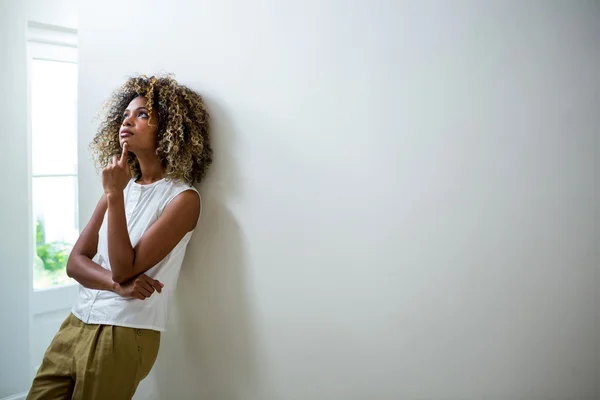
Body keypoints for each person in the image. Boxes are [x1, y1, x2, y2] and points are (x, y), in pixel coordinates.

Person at [26, 74, 212, 400]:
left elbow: (125, 267)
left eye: (142, 114)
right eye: (125, 114)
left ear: (168, 128)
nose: (128, 120)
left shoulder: (182, 199)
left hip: (124, 330)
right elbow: (75, 263)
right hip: (78, 320)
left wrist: (114, 196)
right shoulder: (120, 185)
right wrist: (115, 286)